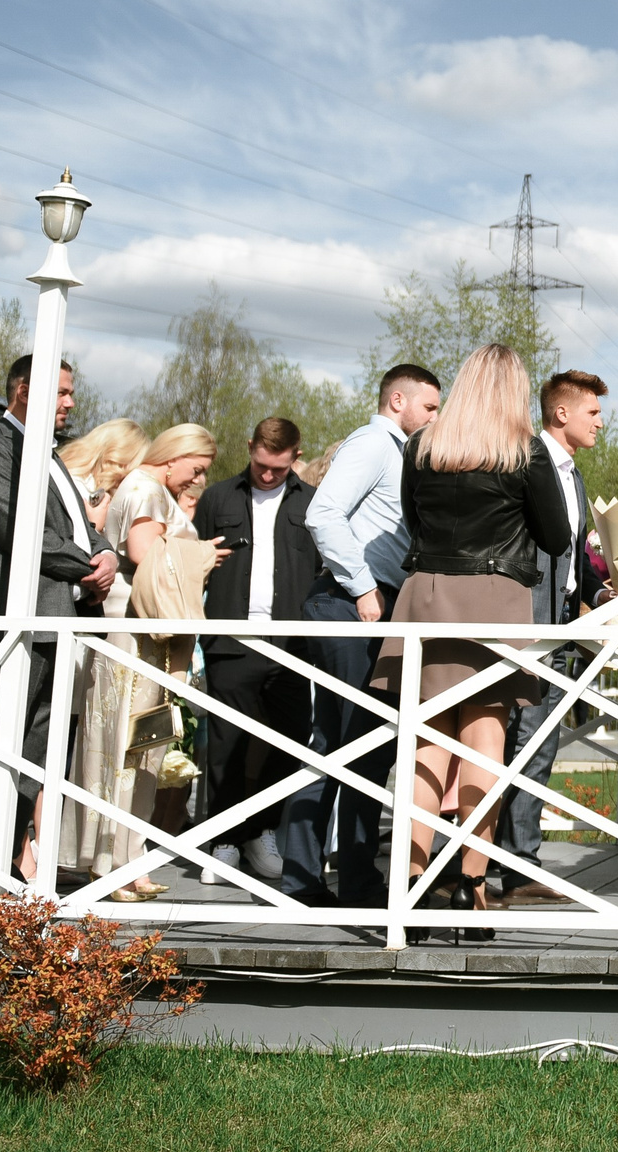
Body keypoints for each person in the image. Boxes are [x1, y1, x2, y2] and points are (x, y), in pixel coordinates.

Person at [375, 344, 572, 933]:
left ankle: (410, 888)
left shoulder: (422, 446)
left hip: (428, 594)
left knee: (425, 743)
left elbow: (413, 520)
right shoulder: (524, 451)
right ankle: (470, 886)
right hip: (494, 598)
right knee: (485, 741)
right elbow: (557, 537)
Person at [0, 355, 119, 894]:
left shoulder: (49, 457)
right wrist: (87, 566)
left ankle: (0, 859)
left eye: (69, 392)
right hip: (2, 622)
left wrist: (105, 555)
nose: (70, 403)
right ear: (22, 392)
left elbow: (79, 525)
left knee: (32, 750)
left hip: (53, 619)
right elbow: (20, 531)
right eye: (59, 393)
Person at [286, 363, 440, 906]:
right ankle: (334, 879)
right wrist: (362, 588)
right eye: (429, 407)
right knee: (356, 743)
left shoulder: (394, 451)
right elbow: (322, 513)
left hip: (362, 604)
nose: (434, 418)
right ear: (398, 400)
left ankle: (323, 879)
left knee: (350, 743)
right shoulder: (374, 444)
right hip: (352, 605)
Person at [74, 424, 220, 897]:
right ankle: (117, 862)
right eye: (194, 470)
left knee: (138, 745)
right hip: (139, 635)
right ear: (175, 456)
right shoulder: (147, 490)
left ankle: (122, 859)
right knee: (131, 746)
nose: (194, 482)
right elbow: (143, 553)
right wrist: (202, 555)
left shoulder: (139, 488)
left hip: (139, 632)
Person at [500, 369, 610, 907]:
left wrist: (599, 590)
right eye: (593, 412)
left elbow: (568, 554)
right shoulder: (527, 463)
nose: (601, 421)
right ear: (561, 413)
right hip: (527, 626)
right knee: (517, 743)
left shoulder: (574, 474)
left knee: (539, 746)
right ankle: (509, 865)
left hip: (563, 625)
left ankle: (520, 864)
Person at [193, 417, 318, 889]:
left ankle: (260, 832)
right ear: (249, 449)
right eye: (262, 466)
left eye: (279, 468)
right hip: (230, 639)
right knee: (226, 743)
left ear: (295, 457)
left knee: (289, 738)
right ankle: (222, 839)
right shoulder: (217, 499)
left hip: (292, 642)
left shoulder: (311, 503)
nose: (269, 475)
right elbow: (193, 565)